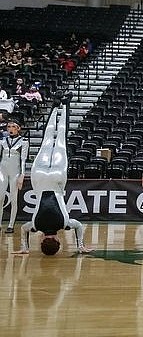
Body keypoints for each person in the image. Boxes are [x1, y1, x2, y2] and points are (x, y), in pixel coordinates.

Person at [12, 93, 93, 255]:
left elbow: (78, 225)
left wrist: (80, 246)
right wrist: (25, 247)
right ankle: (55, 106)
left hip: (57, 179)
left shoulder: (64, 224)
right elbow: (23, 228)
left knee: (61, 139)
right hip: (39, 177)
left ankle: (65, 104)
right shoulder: (35, 225)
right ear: (42, 241)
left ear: (57, 241)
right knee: (47, 140)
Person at [0, 116, 29, 233]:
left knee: (13, 198)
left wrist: (22, 175)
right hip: (2, 170)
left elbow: (23, 159)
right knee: (0, 197)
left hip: (15, 172)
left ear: (18, 128)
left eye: (13, 127)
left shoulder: (24, 142)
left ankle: (11, 225)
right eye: (8, 127)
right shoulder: (2, 141)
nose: (10, 129)